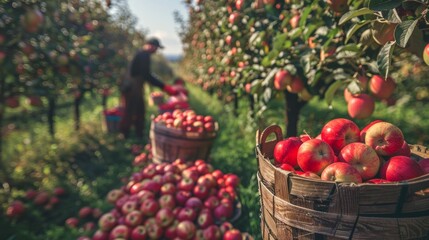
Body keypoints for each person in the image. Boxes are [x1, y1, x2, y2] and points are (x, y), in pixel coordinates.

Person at [119, 37, 177, 138]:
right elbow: (146, 75)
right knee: (133, 110)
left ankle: (134, 133)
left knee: (135, 109)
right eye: (156, 48)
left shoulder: (141, 53)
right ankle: (128, 133)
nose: (156, 50)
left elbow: (143, 74)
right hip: (132, 88)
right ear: (150, 45)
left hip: (131, 87)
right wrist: (163, 86)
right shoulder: (144, 55)